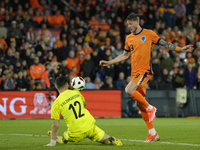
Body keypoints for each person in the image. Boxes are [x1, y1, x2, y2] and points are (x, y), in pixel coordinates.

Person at [99, 13, 193, 143]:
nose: (129, 26)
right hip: (135, 72)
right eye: (128, 25)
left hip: (144, 70)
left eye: (130, 24)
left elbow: (164, 43)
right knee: (139, 103)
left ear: (137, 22)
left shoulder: (148, 33)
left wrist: (180, 49)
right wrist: (108, 62)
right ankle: (152, 133)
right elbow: (125, 55)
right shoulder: (129, 38)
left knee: (128, 90)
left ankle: (151, 108)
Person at [44, 76, 122, 147]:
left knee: (64, 138)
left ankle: (55, 139)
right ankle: (112, 140)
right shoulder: (76, 92)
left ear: (56, 86)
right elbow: (84, 104)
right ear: (67, 85)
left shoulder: (56, 103)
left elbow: (55, 125)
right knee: (105, 138)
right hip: (90, 126)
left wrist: (52, 143)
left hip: (76, 132)